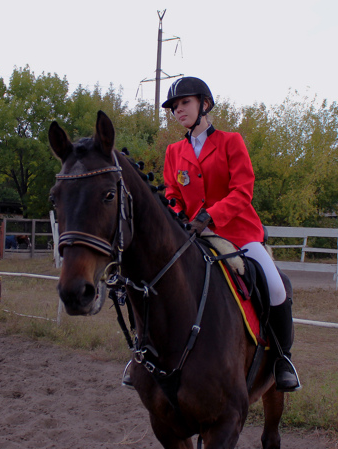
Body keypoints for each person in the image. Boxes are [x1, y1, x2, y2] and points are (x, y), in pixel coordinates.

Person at [123, 77, 300, 392]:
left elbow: (242, 190)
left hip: (238, 232)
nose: (178, 110)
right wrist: (179, 217)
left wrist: (210, 216)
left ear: (204, 104)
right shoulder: (174, 151)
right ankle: (142, 351)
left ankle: (282, 359)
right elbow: (172, 194)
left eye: (185, 103)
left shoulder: (231, 142)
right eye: (174, 107)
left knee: (275, 287)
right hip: (192, 234)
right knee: (154, 281)